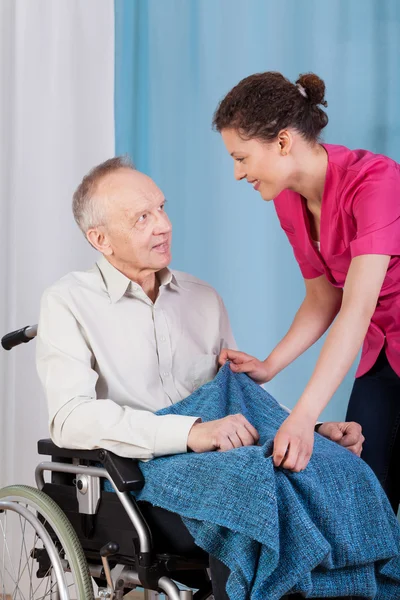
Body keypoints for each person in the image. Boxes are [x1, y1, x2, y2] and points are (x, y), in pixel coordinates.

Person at [36, 157, 363, 600]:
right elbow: (70, 418)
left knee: (335, 469)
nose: (164, 225)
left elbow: (240, 398)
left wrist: (311, 429)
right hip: (141, 474)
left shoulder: (202, 298)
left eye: (162, 209)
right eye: (142, 218)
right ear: (100, 239)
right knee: (250, 492)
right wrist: (191, 432)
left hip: (224, 463)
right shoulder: (67, 302)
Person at [212, 71, 400, 514]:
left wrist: (301, 415)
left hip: (369, 330)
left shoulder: (377, 183)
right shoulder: (287, 196)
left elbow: (355, 310)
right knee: (361, 496)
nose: (238, 174)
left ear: (281, 143)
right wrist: (270, 366)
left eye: (241, 158)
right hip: (383, 352)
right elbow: (324, 297)